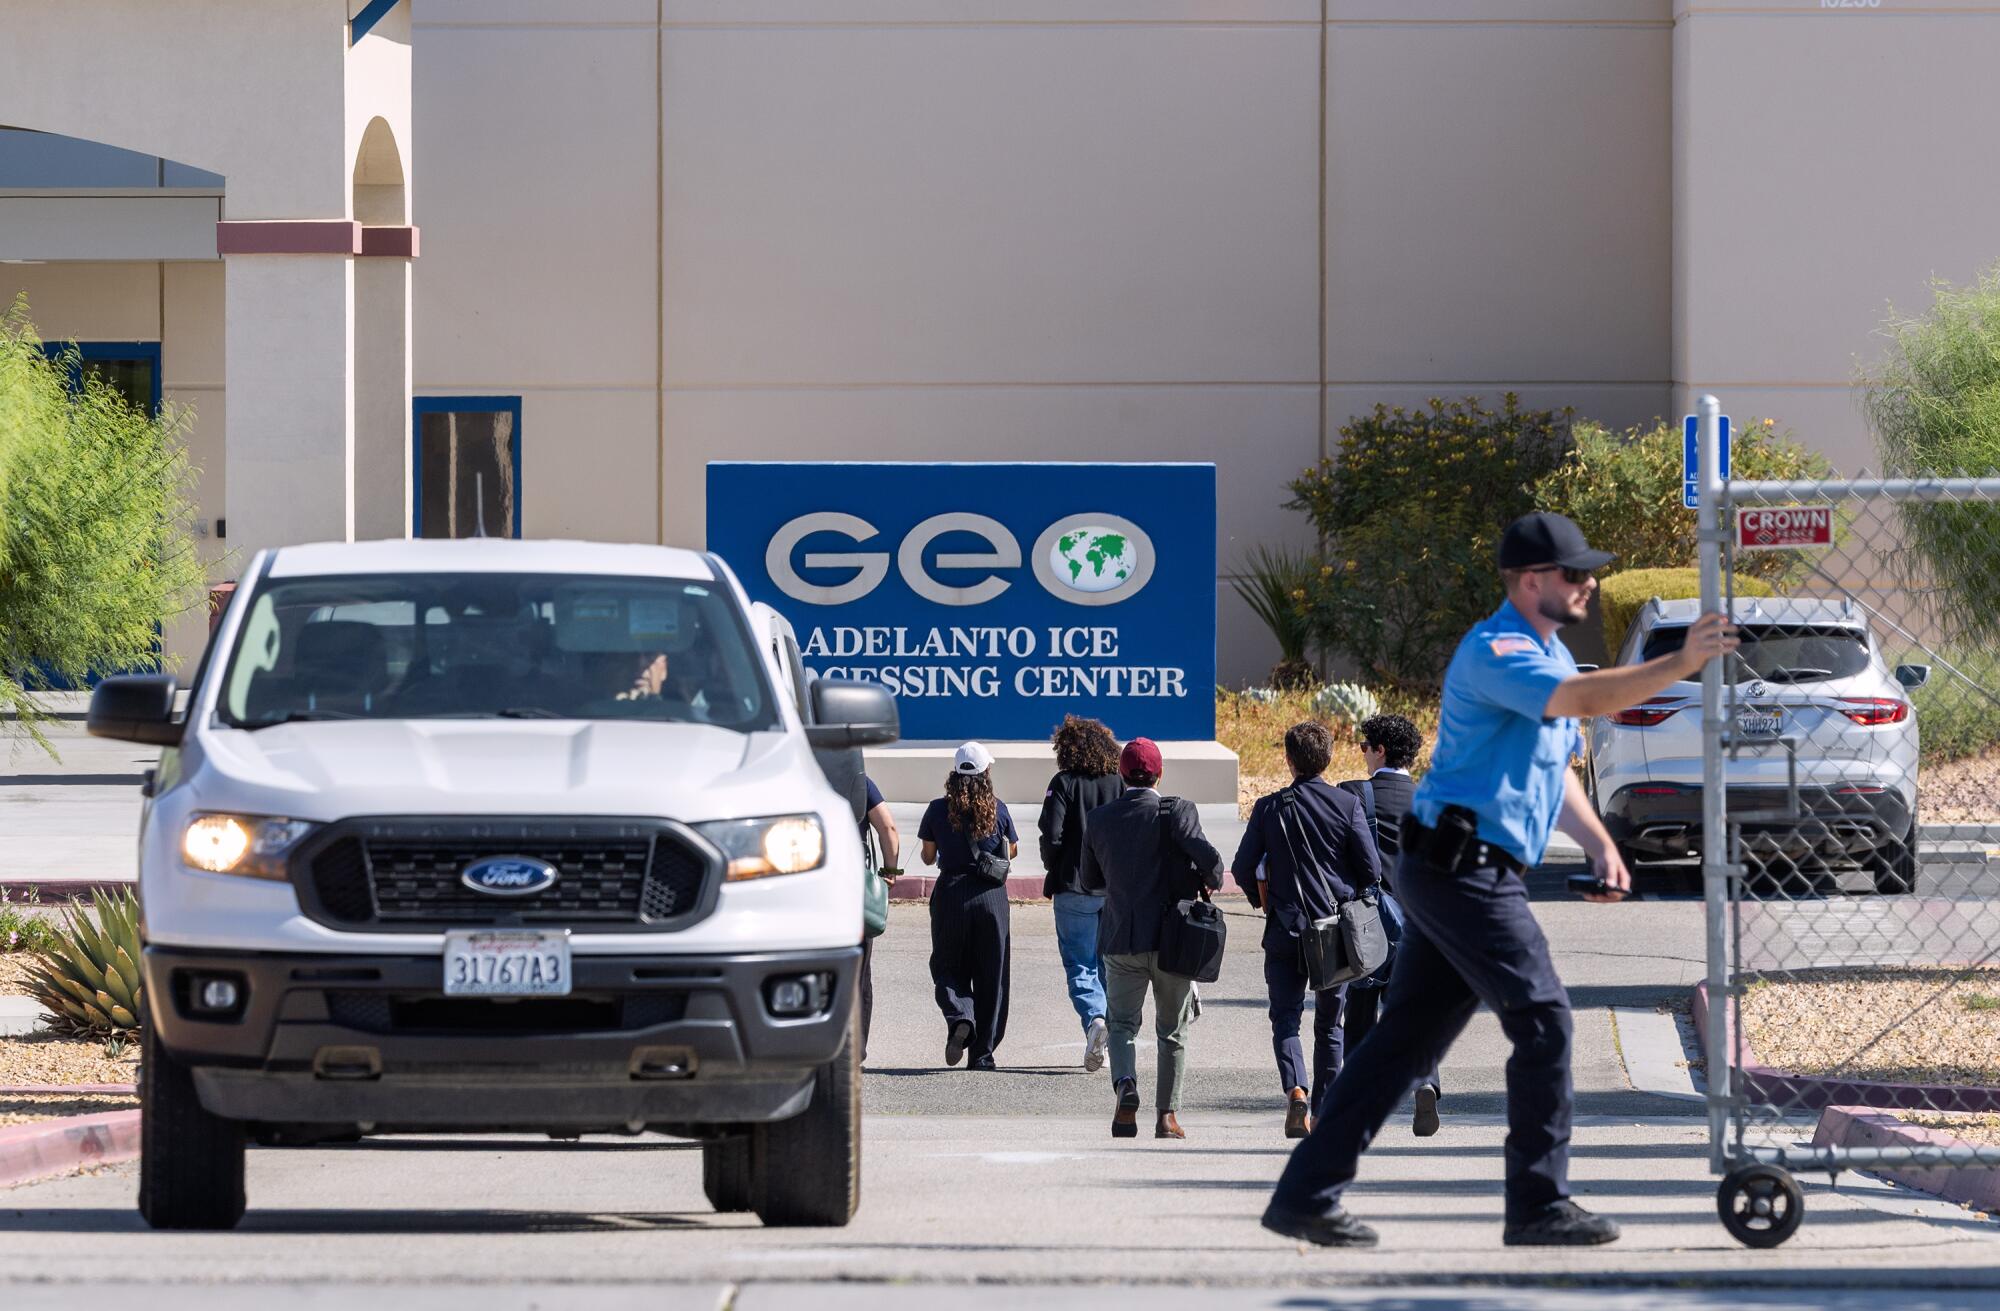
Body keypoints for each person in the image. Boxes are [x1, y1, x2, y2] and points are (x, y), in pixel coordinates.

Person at [1262, 511, 1738, 1250]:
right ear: (1528, 582)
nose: (1588, 585)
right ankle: (1537, 1201)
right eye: (1574, 574)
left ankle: (1304, 1194)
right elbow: (1585, 703)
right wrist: (1681, 661)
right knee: (1545, 1018)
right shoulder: (1500, 649)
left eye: (1588, 572)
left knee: (1402, 1046)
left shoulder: (1543, 654)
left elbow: (1559, 762)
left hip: (1458, 866)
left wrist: (1598, 841)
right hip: (1463, 869)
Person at [1233, 722, 1381, 1140]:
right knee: (1330, 1025)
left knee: (1285, 1018)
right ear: (1329, 758)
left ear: (1288, 759)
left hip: (1285, 928)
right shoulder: (1346, 804)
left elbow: (1243, 867)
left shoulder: (1268, 807)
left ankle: (1295, 1089)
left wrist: (1259, 899)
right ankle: (1324, 1110)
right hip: (1334, 930)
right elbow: (1371, 870)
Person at [1078, 737, 1223, 1140]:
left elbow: (1090, 880)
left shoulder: (1101, 818)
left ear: (1122, 775)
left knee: (1122, 1025)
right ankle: (1167, 1117)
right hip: (1175, 940)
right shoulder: (1177, 810)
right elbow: (1209, 860)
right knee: (1172, 1031)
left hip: (1121, 938)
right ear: (1160, 774)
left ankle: (1125, 1085)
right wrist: (1207, 881)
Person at [1335, 713, 1442, 1137]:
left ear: (1380, 750)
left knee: (1359, 1013)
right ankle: (1426, 1082)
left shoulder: (1353, 796)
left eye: (1365, 746)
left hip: (1366, 923)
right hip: (1418, 924)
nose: (1362, 754)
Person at [918, 743, 1019, 1070]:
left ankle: (961, 1014)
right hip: (990, 898)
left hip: (950, 894)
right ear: (985, 773)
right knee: (992, 974)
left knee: (947, 965)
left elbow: (928, 856)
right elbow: (1012, 850)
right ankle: (983, 1054)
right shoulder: (998, 808)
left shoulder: (937, 809)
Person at [1037, 715, 1125, 1073]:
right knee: (1110, 965)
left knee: (1080, 964)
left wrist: (1053, 864)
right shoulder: (1119, 782)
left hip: (1074, 885)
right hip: (1115, 887)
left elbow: (1052, 834)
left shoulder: (1063, 783)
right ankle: (1113, 1038)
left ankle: (1095, 1021)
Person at [858, 773, 900, 1061]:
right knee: (859, 972)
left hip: (799, 879)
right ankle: (855, 1049)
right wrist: (889, 873)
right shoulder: (859, 782)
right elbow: (887, 827)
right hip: (852, 886)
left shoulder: (792, 770)